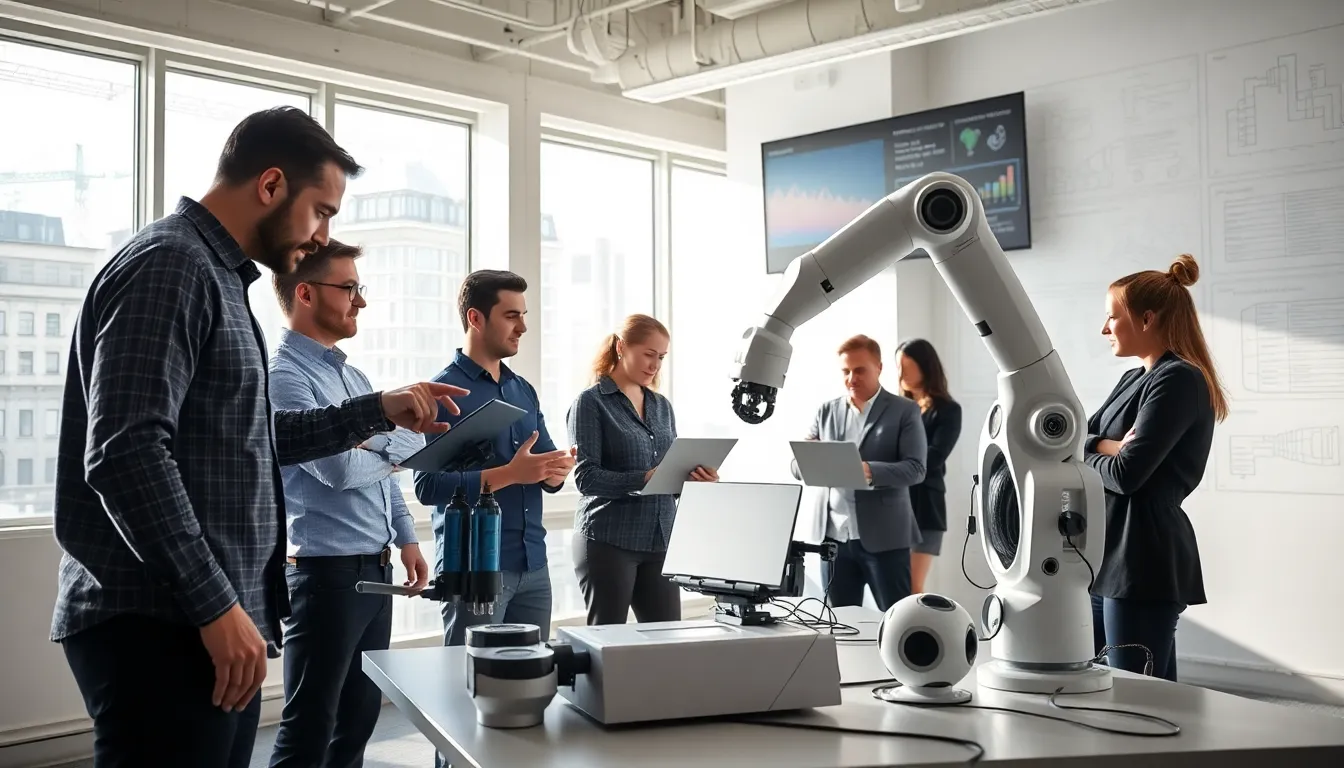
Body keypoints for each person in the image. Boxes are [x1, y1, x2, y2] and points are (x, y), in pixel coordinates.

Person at [51, 106, 467, 768]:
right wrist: (216, 605)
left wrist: (376, 410)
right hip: (162, 619)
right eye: (321, 212)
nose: (322, 234)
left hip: (200, 615)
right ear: (271, 185)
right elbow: (125, 453)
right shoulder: (172, 264)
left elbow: (259, 438)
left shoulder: (217, 277)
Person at [265, 240, 431, 768]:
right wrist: (385, 448)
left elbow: (412, 448)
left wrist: (406, 536)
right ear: (306, 294)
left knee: (358, 720)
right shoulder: (285, 376)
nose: (361, 300)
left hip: (376, 570)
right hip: (325, 575)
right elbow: (337, 471)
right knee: (310, 729)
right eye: (350, 288)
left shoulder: (353, 377)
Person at [1085, 253, 1226, 683]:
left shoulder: (1179, 379)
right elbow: (1072, 440)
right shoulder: (1133, 379)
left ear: (1147, 319)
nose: (1104, 329)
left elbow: (1126, 475)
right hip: (1107, 554)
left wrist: (1094, 451)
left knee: (1136, 696)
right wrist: (1106, 446)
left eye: (1112, 317)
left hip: (1141, 557)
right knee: (1118, 689)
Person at [567, 314, 718, 626]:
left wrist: (694, 481)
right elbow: (586, 477)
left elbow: (669, 476)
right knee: (608, 642)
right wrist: (644, 478)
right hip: (608, 540)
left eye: (661, 357)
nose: (655, 365)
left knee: (665, 640)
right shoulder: (591, 402)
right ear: (621, 347)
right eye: (649, 354)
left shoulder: (662, 406)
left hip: (660, 541)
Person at [792, 334, 927, 611]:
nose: (851, 378)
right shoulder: (826, 411)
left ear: (879, 367)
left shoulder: (905, 411)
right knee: (840, 622)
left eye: (859, 370)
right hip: (834, 540)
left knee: (898, 620)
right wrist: (807, 460)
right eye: (846, 371)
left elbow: (916, 469)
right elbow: (796, 466)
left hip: (885, 538)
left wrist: (869, 471)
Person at [894, 339, 962, 595]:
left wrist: (894, 461)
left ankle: (917, 624)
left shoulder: (948, 410)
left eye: (906, 366)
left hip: (925, 506)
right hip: (894, 505)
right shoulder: (899, 409)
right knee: (895, 586)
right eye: (898, 366)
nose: (900, 373)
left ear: (925, 367)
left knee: (912, 587)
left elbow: (934, 457)